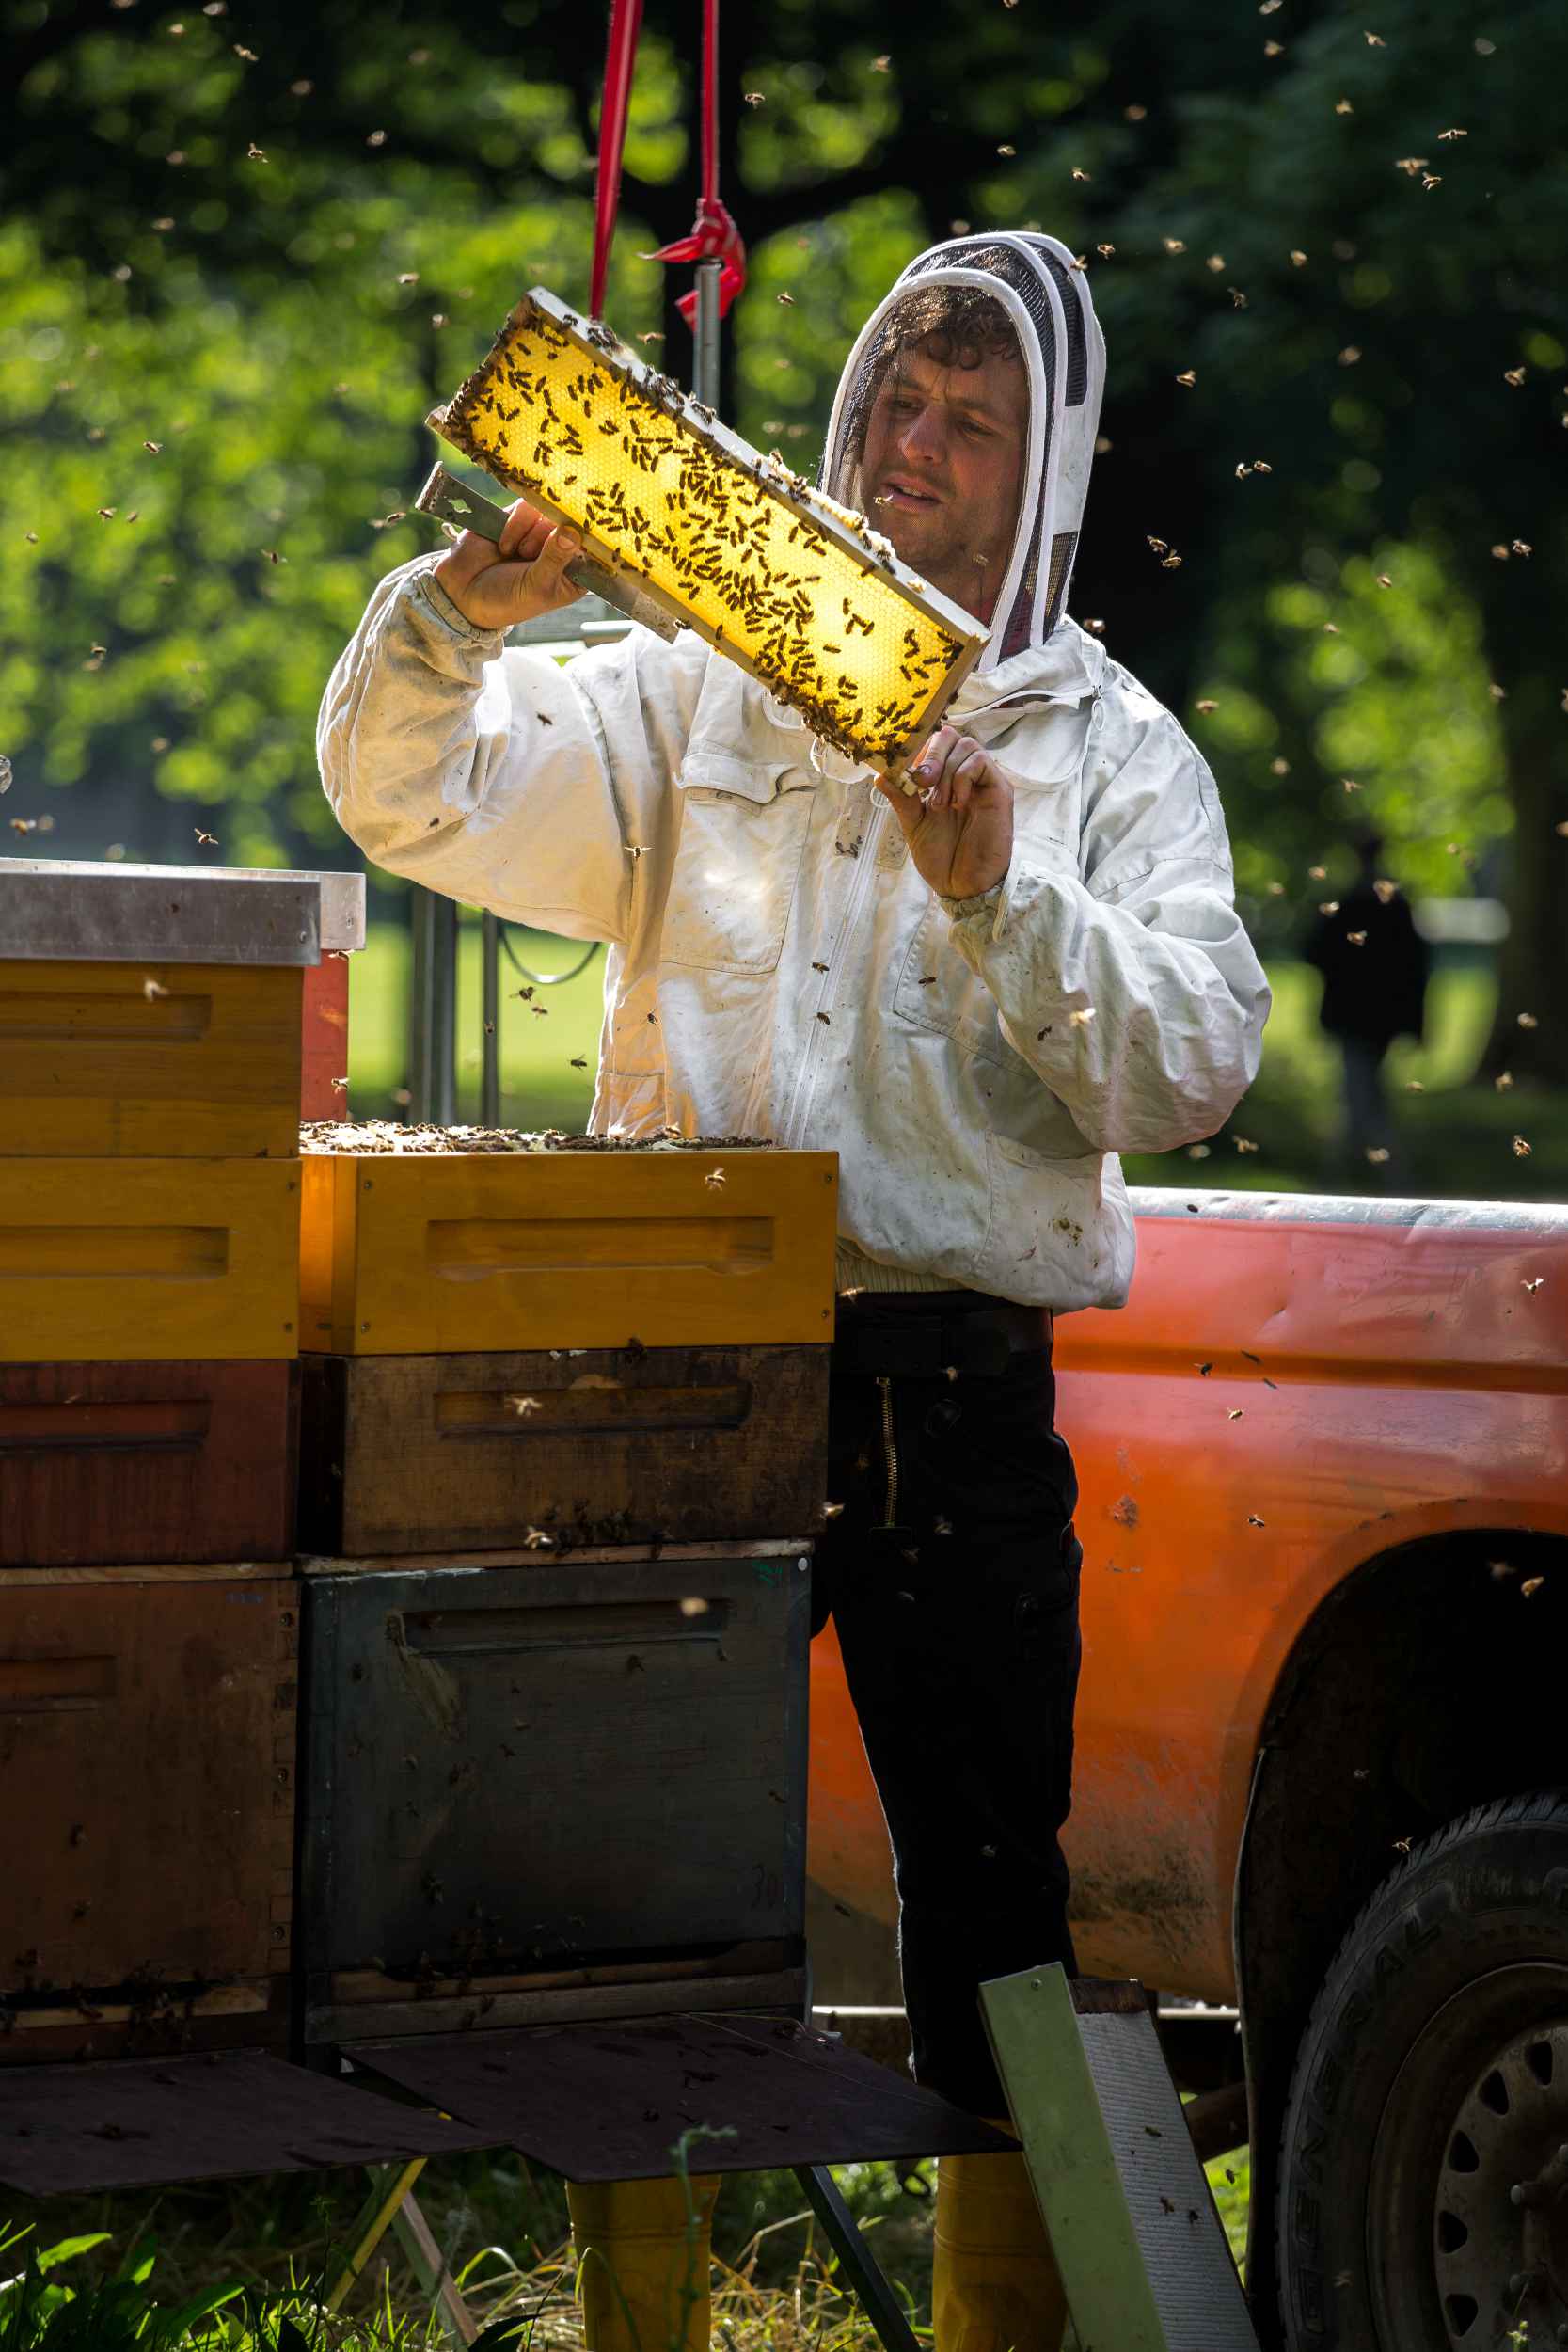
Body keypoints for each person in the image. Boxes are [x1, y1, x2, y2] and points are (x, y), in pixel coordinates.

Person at [319, 231, 1270, 2352]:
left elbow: (1187, 1061)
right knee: (642, 1904)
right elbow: (413, 793)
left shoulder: (1110, 755)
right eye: (890, 413)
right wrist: (451, 624)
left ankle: (992, 2325)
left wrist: (1001, 890)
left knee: (991, 1914)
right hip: (683, 1366)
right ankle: (636, 2324)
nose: (912, 455)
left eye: (968, 427)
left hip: (951, 1387)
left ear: (1048, 476)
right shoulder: (691, 692)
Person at [1304, 830, 1428, 1184]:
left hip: (1354, 1016)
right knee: (1362, 1089)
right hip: (1384, 1017)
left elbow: (1314, 951)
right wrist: (1417, 1024)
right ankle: (1356, 1169)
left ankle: (1378, 1173)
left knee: (1361, 1092)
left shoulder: (1349, 902)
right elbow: (1416, 969)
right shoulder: (1396, 905)